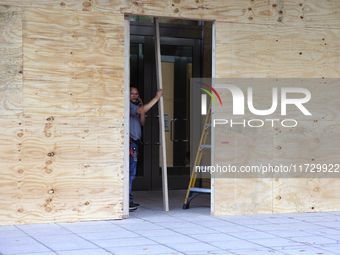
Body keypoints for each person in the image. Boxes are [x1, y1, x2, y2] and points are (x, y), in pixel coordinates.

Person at [129, 87, 163, 211]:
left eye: (136, 94)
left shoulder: (135, 108)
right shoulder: (128, 106)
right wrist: (156, 98)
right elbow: (142, 110)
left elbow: (142, 122)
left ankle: (128, 199)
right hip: (130, 144)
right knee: (130, 173)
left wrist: (141, 106)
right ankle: (127, 200)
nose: (134, 95)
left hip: (135, 144)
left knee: (131, 173)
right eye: (131, 93)